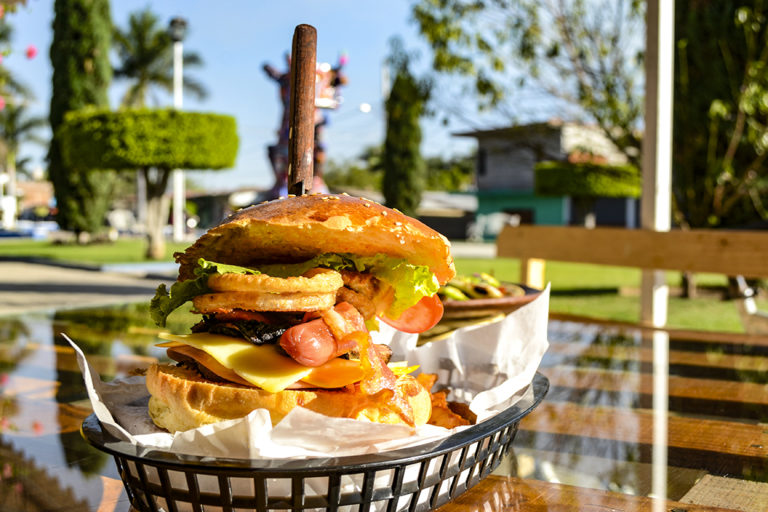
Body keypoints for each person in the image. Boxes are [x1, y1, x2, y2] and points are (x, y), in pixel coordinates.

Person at [262, 53, 347, 198]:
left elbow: (335, 101)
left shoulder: (323, 84)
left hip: (315, 122)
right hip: (289, 124)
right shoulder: (287, 80)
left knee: (317, 150)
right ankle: (283, 182)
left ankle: (315, 181)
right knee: (283, 152)